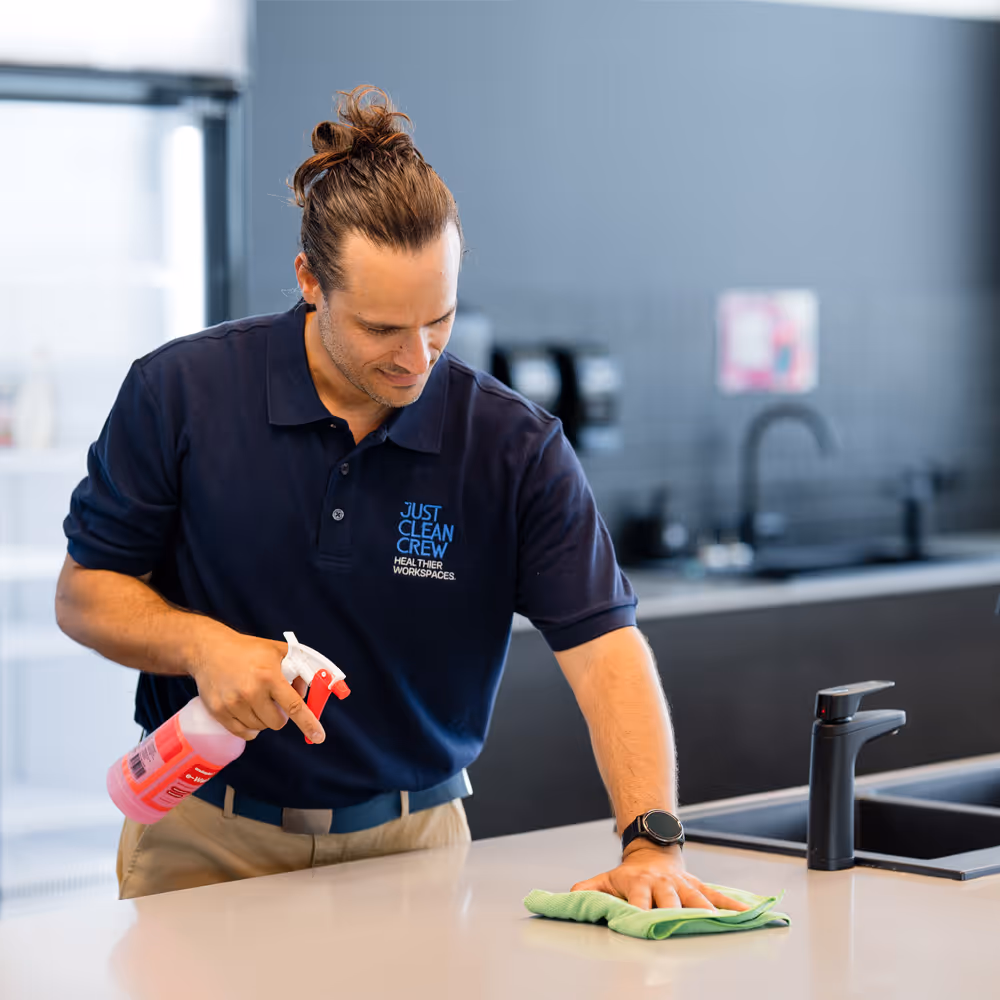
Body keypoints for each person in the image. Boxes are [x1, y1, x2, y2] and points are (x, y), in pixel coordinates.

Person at [56, 86, 747, 913]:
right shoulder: (180, 393)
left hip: (413, 846)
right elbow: (84, 596)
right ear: (311, 281)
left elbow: (606, 653)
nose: (416, 359)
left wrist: (652, 841)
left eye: (439, 320)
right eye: (382, 329)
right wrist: (205, 646)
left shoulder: (515, 447)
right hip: (206, 836)